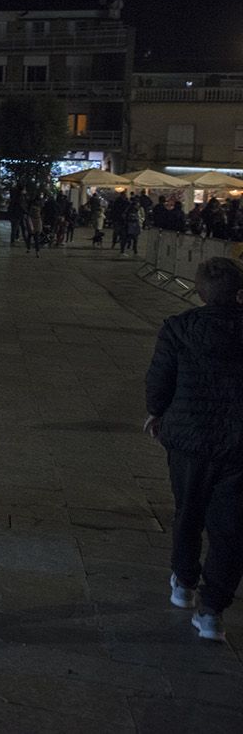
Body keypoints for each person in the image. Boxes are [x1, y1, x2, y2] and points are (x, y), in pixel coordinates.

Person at [144, 257, 243, 642]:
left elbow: (159, 380)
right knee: (231, 528)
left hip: (188, 439)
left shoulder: (179, 327)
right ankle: (213, 610)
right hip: (238, 446)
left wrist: (156, 414)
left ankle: (184, 581)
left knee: (188, 512)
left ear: (199, 292)